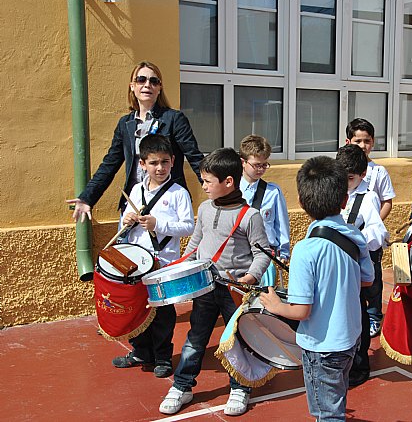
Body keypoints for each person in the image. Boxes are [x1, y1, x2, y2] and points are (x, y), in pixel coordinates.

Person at [259, 156, 374, 422]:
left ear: (301, 203)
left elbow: (301, 310)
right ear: (344, 201)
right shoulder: (354, 235)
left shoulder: (305, 250)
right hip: (350, 337)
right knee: (336, 400)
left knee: (327, 414)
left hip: (322, 346)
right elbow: (366, 280)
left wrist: (275, 306)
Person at [159, 148, 271, 416]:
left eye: (208, 181)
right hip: (206, 286)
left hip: (235, 291)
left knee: (238, 340)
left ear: (228, 182)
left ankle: (240, 387)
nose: (204, 186)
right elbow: (195, 244)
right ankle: (182, 386)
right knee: (195, 338)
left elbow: (262, 254)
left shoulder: (250, 215)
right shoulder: (206, 208)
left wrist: (251, 276)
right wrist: (180, 267)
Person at [67, 61, 203, 221]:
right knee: (128, 245)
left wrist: (216, 189)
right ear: (132, 86)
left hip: (166, 199)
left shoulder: (174, 119)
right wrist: (87, 197)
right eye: (141, 80)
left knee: (162, 246)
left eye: (154, 81)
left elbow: (194, 157)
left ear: (159, 88)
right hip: (134, 203)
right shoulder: (125, 124)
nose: (147, 85)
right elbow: (109, 164)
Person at [111, 135, 195, 378]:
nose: (160, 168)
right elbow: (123, 227)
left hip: (164, 261)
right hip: (137, 260)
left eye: (165, 162)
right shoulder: (136, 190)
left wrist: (158, 224)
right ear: (142, 164)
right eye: (154, 163)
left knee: (162, 312)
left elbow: (188, 227)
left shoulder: (179, 192)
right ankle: (140, 351)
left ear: (173, 162)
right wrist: (125, 222)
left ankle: (162, 357)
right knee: (136, 308)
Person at [335, 144, 389, 388]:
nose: (345, 183)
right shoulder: (334, 192)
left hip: (358, 266)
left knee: (359, 315)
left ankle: (359, 365)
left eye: (350, 178)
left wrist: (355, 239)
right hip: (338, 265)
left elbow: (378, 233)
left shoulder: (368, 198)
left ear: (362, 175)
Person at [345, 118, 395, 337]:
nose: (363, 145)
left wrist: (374, 224)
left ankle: (374, 315)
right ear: (348, 142)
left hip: (369, 235)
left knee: (372, 278)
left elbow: (387, 201)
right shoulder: (341, 170)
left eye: (367, 141)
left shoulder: (378, 172)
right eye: (358, 141)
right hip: (347, 235)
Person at [238, 134, 290, 286]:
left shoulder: (272, 192)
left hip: (265, 257)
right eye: (256, 165)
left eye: (264, 165)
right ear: (243, 162)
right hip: (240, 259)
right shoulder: (232, 190)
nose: (261, 169)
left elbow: (281, 225)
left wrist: (283, 252)